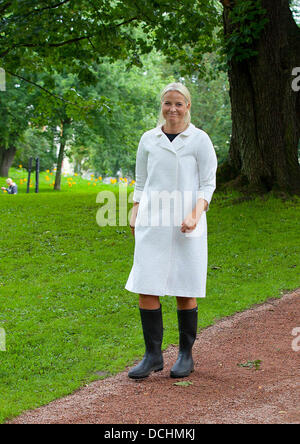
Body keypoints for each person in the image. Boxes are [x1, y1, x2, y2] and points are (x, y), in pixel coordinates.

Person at [125, 82, 218, 379]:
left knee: (184, 287)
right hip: (153, 221)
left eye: (178, 103)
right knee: (146, 285)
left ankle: (185, 355)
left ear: (188, 106)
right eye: (168, 103)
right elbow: (141, 182)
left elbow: (208, 184)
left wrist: (195, 213)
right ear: (161, 106)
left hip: (187, 224)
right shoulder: (148, 139)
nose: (172, 109)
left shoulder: (199, 140)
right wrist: (135, 209)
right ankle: (152, 356)